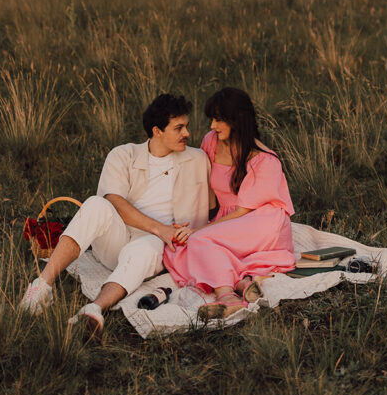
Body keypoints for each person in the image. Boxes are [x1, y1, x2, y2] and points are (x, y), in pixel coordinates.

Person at [20, 93, 210, 335]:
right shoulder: (124, 154)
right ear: (157, 130)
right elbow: (114, 201)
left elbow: (218, 200)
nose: (187, 134)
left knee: (146, 247)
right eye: (179, 128)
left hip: (160, 246)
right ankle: (41, 287)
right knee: (95, 204)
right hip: (118, 238)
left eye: (187, 126)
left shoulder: (197, 159)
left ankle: (93, 309)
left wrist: (186, 231)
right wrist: (160, 228)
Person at [163, 87, 296, 320]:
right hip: (230, 221)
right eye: (212, 119)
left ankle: (226, 295)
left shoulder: (263, 159)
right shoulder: (212, 142)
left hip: (261, 221)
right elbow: (206, 190)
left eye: (219, 119)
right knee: (176, 249)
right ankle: (243, 283)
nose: (212, 125)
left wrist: (198, 230)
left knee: (200, 239)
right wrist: (192, 222)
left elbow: (244, 211)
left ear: (237, 120)